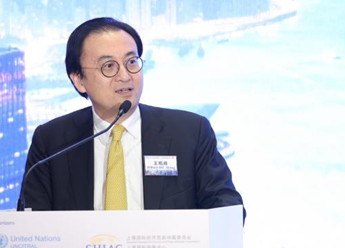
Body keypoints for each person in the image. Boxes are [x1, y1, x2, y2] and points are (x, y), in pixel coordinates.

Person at [18, 17, 244, 217]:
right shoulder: (52, 142)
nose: (125, 76)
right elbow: (31, 227)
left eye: (131, 62)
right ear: (79, 80)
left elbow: (227, 208)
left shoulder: (190, 132)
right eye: (109, 66)